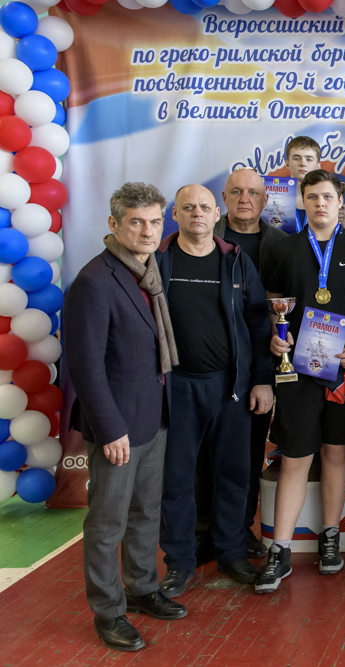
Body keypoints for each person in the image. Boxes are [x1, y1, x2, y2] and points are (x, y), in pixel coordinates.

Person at [63, 182, 186, 652]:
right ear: (114, 225)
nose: (148, 231)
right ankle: (109, 612)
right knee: (107, 522)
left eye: (155, 221)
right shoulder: (95, 281)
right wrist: (111, 428)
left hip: (153, 416)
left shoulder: (148, 272)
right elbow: (85, 367)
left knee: (145, 512)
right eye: (136, 222)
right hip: (118, 426)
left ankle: (141, 588)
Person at [255, 170, 345, 594]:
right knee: (295, 457)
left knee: (335, 452)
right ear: (303, 202)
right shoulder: (283, 248)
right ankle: (280, 549)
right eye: (312, 197)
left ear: (340, 202)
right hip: (298, 370)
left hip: (344, 370)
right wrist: (276, 339)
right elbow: (273, 305)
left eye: (327, 197)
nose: (320, 204)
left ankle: (331, 537)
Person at [154, 185, 272, 598]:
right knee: (176, 480)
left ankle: (232, 552)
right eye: (188, 208)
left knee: (234, 475)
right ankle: (179, 561)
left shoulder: (235, 260)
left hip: (229, 386)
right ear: (174, 214)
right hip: (175, 388)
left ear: (217, 212)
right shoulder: (157, 260)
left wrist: (262, 379)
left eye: (204, 207)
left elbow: (259, 322)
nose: (197, 214)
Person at [215, 168, 288, 559]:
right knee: (200, 457)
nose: (245, 199)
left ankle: (240, 530)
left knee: (247, 454)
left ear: (266, 200)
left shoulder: (283, 245)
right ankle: (201, 533)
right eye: (237, 192)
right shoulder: (201, 238)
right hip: (208, 363)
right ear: (224, 197)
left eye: (254, 193)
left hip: (261, 364)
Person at [285, 135, 322, 232]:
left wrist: (342, 221)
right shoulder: (275, 197)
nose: (302, 163)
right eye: (296, 158)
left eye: (309, 159)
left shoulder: (326, 200)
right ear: (287, 164)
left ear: (318, 166)